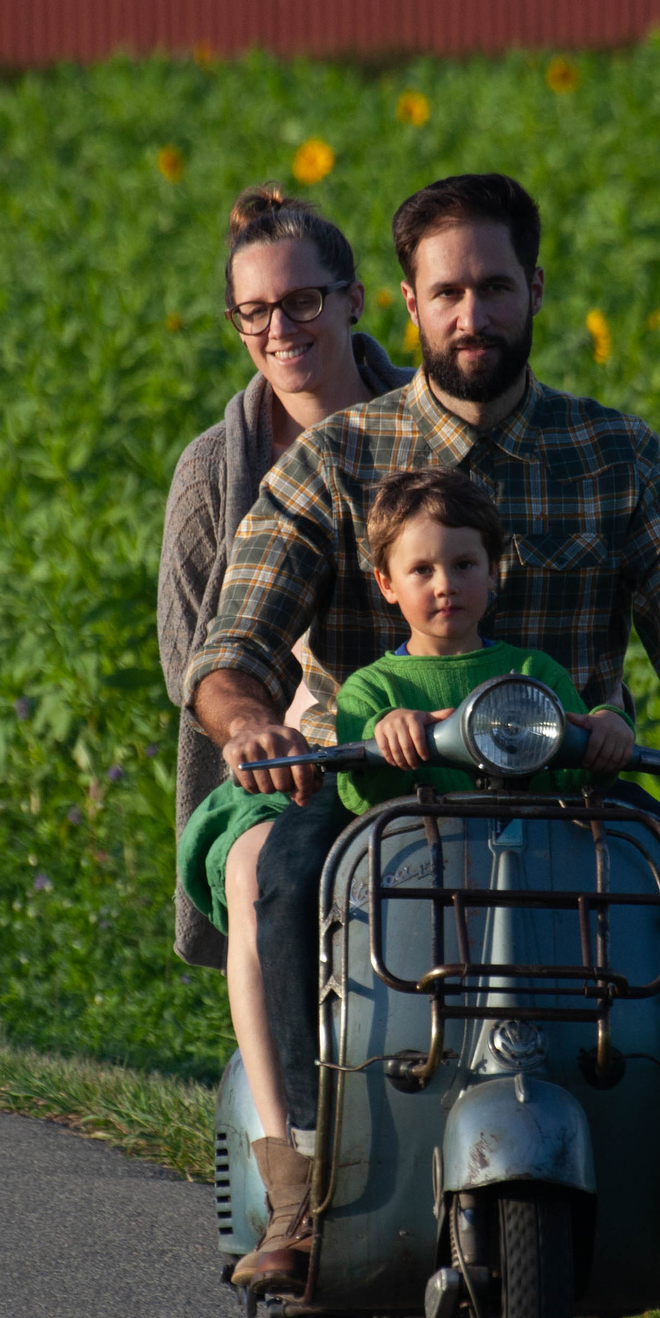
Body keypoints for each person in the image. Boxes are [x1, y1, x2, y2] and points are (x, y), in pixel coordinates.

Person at [185, 172, 660, 1290]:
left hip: (566, 792)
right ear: (406, 305)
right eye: (447, 292)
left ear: (536, 290)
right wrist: (253, 719)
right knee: (282, 878)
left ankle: (645, 1157)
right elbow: (235, 644)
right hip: (378, 792)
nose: (473, 315)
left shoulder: (613, 456)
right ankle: (307, 1178)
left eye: (494, 288)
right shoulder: (338, 459)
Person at [155, 183, 408, 1152]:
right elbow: (192, 657)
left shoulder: (429, 436)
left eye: (302, 301)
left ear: (352, 300)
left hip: (419, 734)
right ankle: (293, 1155)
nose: (279, 327)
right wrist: (259, 725)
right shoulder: (212, 472)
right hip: (290, 761)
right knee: (276, 870)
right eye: (254, 311)